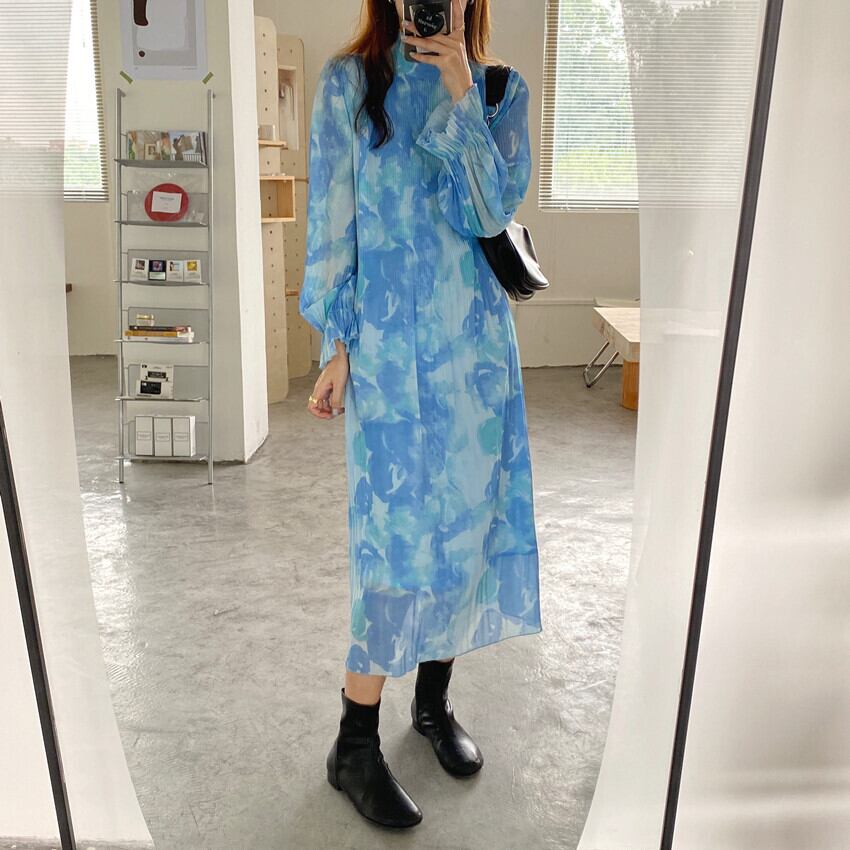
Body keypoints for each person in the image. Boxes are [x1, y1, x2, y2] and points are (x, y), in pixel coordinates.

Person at [299, 0, 542, 829]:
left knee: (464, 534)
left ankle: (432, 706)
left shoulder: (501, 90)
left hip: (475, 360)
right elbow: (331, 227)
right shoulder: (349, 85)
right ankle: (354, 745)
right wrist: (336, 346)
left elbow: (487, 213)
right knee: (393, 547)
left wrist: (462, 90)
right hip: (389, 361)